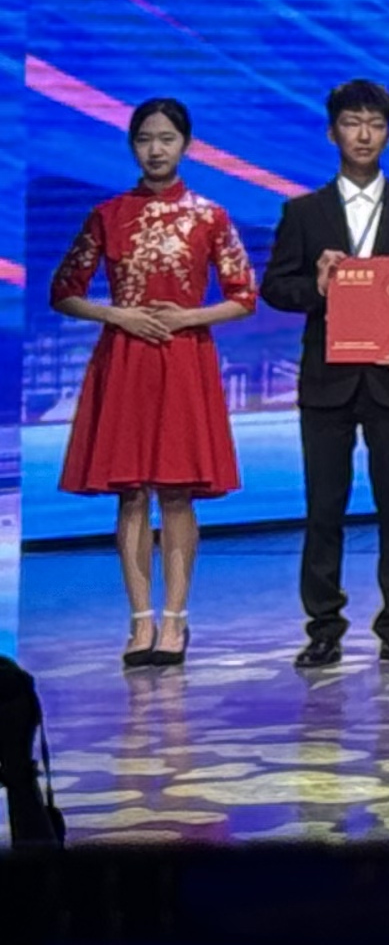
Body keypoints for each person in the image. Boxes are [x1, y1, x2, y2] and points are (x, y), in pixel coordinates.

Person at [48, 95, 254, 670]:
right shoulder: (108, 214)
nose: (156, 149)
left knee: (178, 491)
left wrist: (188, 317)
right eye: (144, 139)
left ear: (186, 145)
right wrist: (117, 314)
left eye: (166, 138)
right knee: (132, 492)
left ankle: (175, 620)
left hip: (184, 358)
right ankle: (140, 620)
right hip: (126, 358)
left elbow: (244, 295)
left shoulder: (210, 216)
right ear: (131, 145)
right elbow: (63, 290)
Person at [258, 76, 389, 669]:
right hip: (327, 383)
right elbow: (276, 288)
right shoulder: (303, 211)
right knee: (324, 508)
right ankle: (324, 627)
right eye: (352, 123)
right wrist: (317, 287)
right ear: (332, 132)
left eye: (375, 124)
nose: (363, 134)